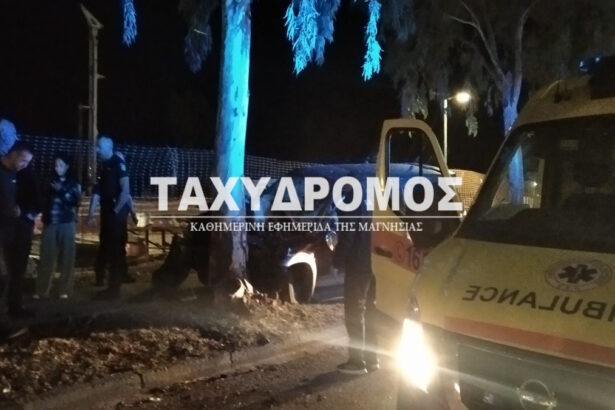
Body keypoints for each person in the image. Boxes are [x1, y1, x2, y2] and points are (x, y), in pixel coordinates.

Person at [333, 187, 379, 375]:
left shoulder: (353, 202)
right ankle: (372, 359)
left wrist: (337, 262)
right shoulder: (374, 200)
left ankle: (357, 362)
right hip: (375, 263)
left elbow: (348, 236)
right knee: (370, 310)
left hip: (357, 264)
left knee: (354, 312)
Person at [87, 136, 135, 299]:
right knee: (109, 247)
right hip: (109, 212)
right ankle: (110, 283)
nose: (97, 150)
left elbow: (125, 190)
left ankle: (113, 289)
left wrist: (115, 211)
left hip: (114, 212)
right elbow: (99, 191)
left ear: (108, 147)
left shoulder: (117, 163)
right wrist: (92, 213)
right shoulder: (105, 165)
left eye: (99, 147)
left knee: (115, 249)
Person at [35, 153, 82, 299]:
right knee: (46, 256)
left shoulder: (73, 183)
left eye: (61, 165)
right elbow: (43, 199)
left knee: (67, 256)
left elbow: (76, 201)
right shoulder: (49, 181)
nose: (58, 168)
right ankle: (42, 290)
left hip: (67, 222)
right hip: (50, 222)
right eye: (56, 165)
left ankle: (64, 289)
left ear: (67, 166)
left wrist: (61, 190)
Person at [0, 142, 36, 319]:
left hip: (14, 229)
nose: (25, 165)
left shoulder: (16, 173)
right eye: (23, 160)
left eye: (28, 162)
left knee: (16, 270)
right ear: (14, 154)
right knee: (3, 273)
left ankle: (14, 307)